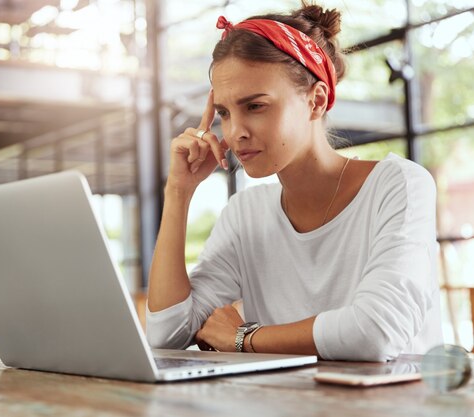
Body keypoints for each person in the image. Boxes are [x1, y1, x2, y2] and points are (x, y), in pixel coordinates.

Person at [145, 2, 442, 361]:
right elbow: (167, 333)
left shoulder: (399, 186)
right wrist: (178, 191)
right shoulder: (246, 214)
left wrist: (244, 338)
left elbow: (376, 331)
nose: (235, 132)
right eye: (224, 112)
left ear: (316, 102)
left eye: (255, 106)